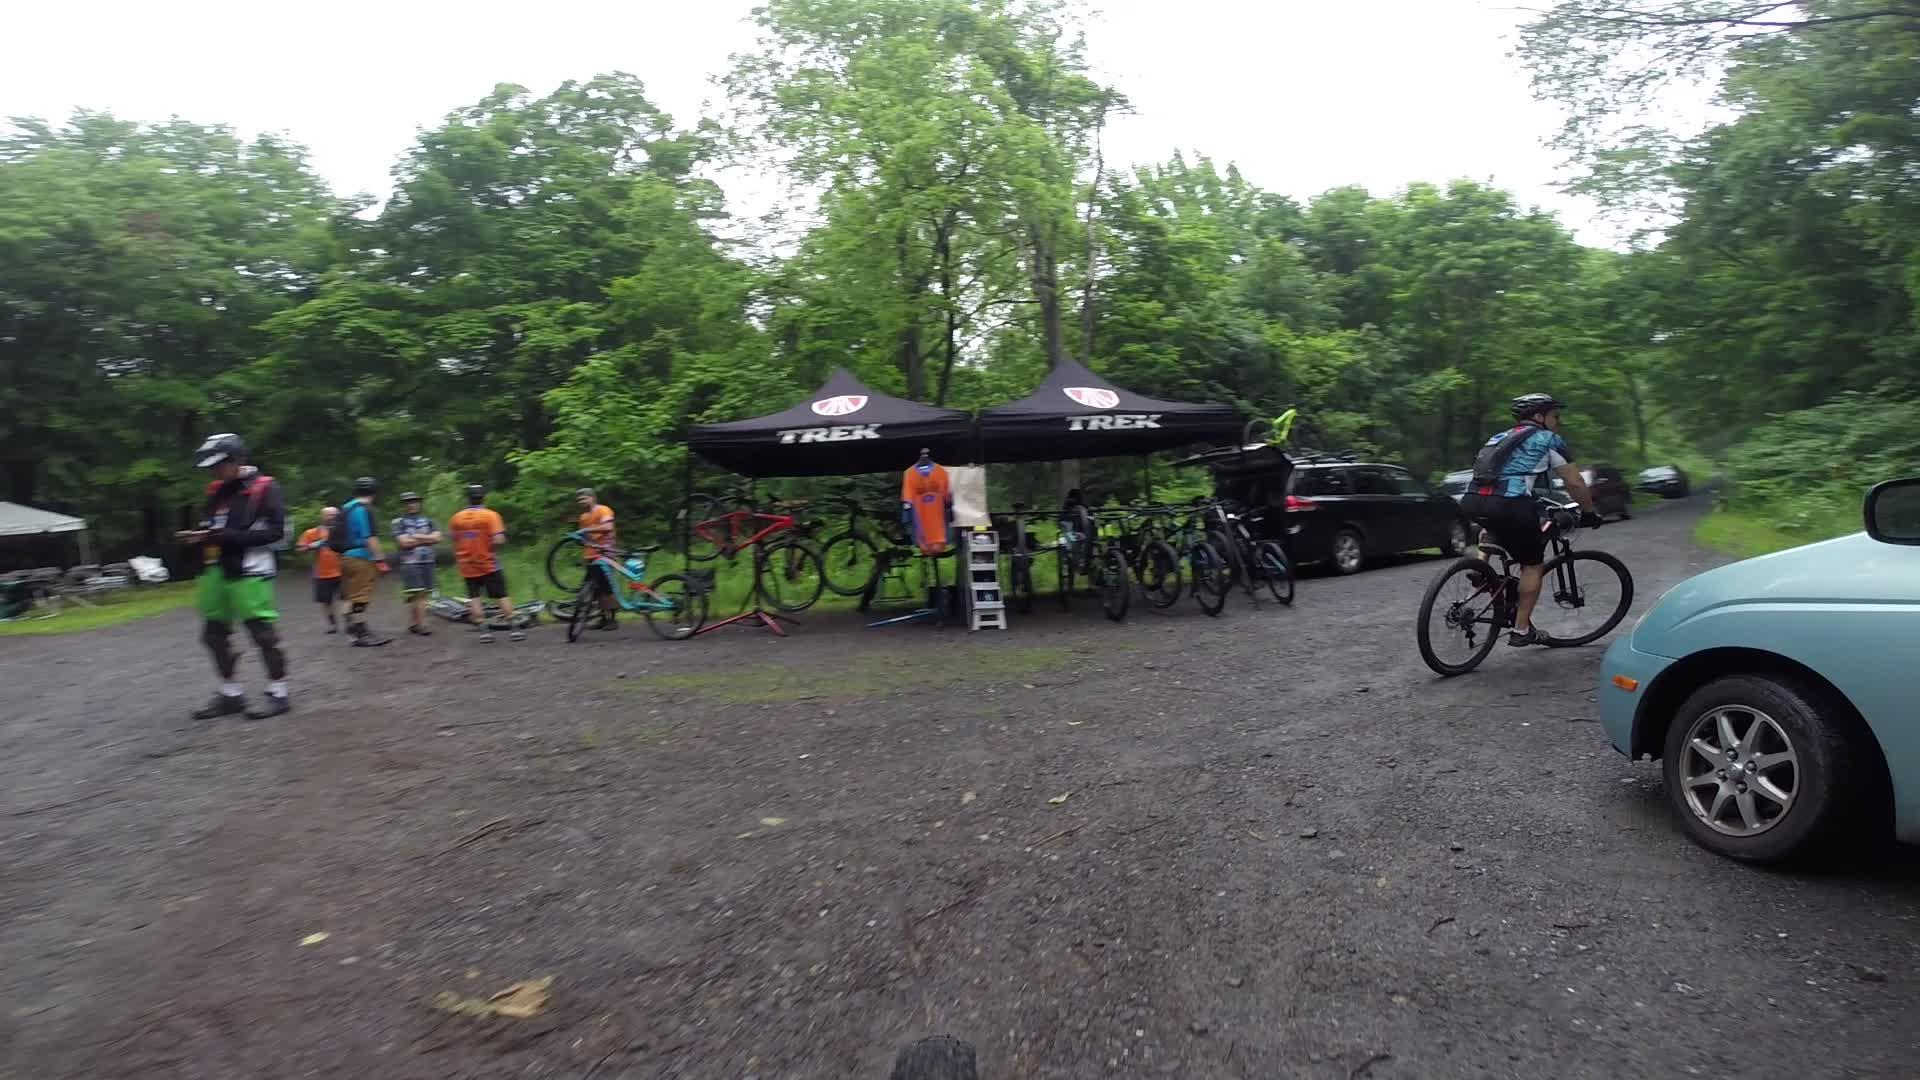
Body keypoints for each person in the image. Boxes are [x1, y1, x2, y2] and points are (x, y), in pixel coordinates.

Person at [1460, 393, 1604, 647]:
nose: (1558, 422)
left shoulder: (1498, 437)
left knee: (1496, 523)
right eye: (1555, 416)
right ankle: (1522, 629)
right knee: (1532, 564)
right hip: (1510, 504)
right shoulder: (1549, 439)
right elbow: (1574, 482)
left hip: (1472, 501)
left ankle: (1480, 567)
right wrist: (1589, 511)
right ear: (1539, 417)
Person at [181, 433, 291, 719]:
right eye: (211, 467)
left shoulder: (265, 487)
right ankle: (231, 694)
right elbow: (213, 527)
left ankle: (278, 693)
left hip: (250, 570)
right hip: (217, 570)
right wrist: (201, 537)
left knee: (262, 633)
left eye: (220, 465)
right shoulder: (216, 490)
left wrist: (223, 536)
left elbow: (277, 534)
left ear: (238, 459)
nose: (214, 471)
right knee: (213, 635)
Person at [449, 484, 523, 643]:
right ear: (484, 497)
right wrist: (490, 548)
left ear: (467, 498)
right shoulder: (491, 515)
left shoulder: (456, 517)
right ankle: (514, 629)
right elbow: (499, 539)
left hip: (466, 563)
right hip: (488, 562)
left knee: (474, 597)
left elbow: (454, 539)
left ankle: (484, 632)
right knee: (501, 595)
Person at [338, 477, 393, 647]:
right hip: (361, 557)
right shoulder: (364, 510)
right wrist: (380, 560)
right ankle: (361, 633)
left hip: (345, 557)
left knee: (350, 595)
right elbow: (369, 537)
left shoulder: (346, 508)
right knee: (362, 596)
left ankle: (351, 630)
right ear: (374, 492)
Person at [392, 491, 442, 636]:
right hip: (410, 562)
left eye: (414, 501)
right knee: (418, 593)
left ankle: (414, 623)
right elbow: (403, 542)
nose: (412, 504)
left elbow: (438, 538)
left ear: (419, 503)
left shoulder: (429, 520)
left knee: (422, 593)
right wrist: (427, 538)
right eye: (408, 502)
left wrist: (415, 536)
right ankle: (423, 625)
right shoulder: (398, 522)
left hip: (428, 561)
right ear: (404, 505)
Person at [576, 487, 618, 630]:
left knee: (606, 587)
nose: (581, 501)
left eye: (583, 498)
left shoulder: (603, 510)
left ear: (592, 498)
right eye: (579, 499)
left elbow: (608, 527)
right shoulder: (583, 517)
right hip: (590, 555)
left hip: (606, 553)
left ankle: (612, 619)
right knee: (595, 589)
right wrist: (582, 538)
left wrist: (586, 530)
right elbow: (583, 537)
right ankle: (602, 617)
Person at [297, 507, 344, 633]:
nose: (333, 517)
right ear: (322, 517)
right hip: (322, 573)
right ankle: (332, 625)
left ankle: (350, 622)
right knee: (326, 601)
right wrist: (312, 545)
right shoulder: (312, 532)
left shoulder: (344, 531)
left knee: (347, 598)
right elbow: (300, 549)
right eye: (329, 515)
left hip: (344, 571)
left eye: (335, 515)